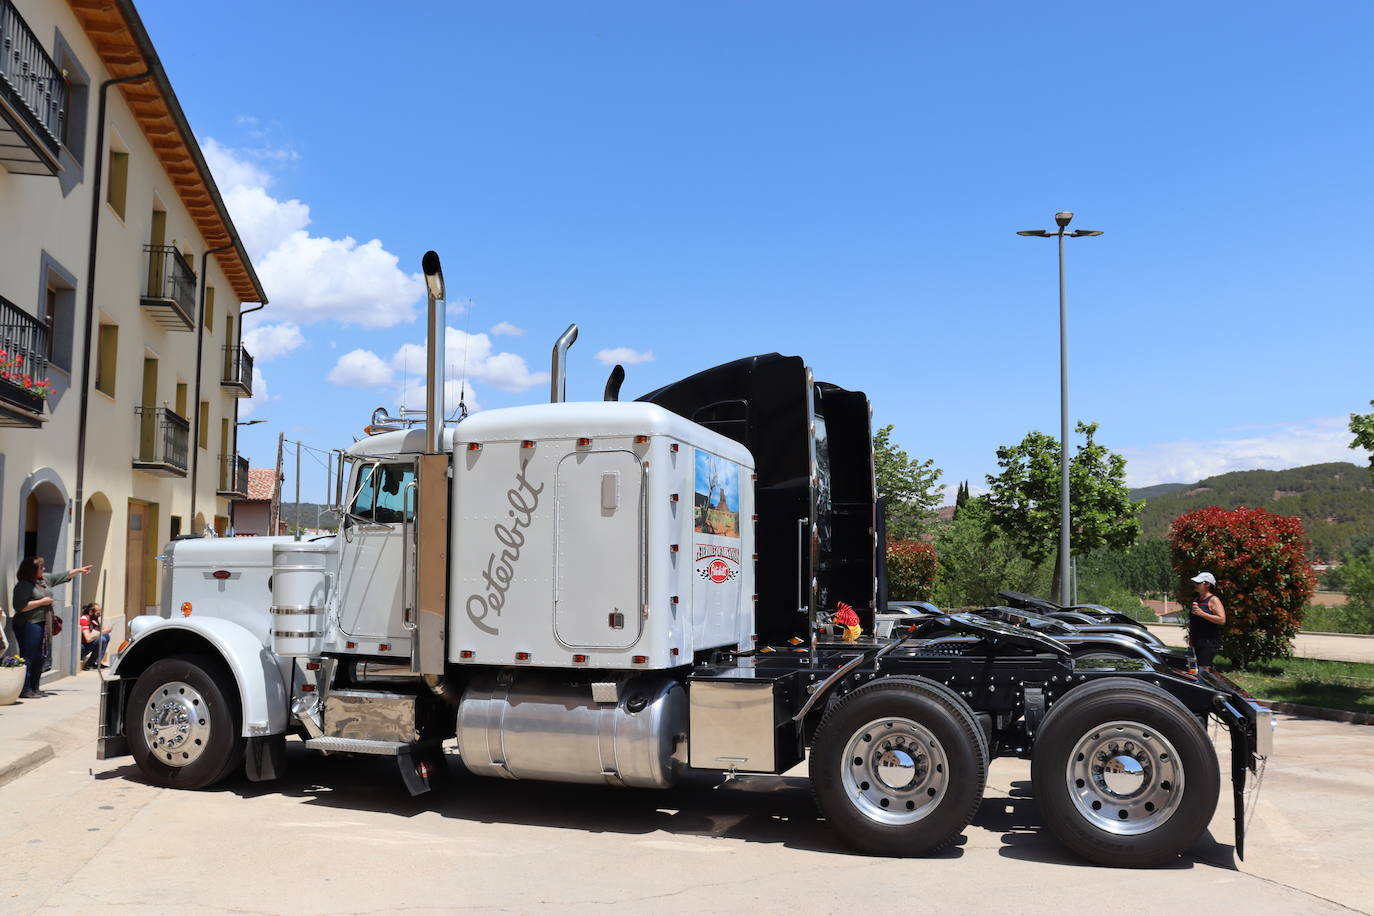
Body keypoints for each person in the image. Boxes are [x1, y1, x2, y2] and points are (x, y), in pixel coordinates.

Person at [11, 557, 91, 699]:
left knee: (41, 656)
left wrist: (79, 570)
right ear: (32, 570)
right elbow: (20, 607)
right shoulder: (23, 585)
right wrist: (42, 602)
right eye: (41, 568)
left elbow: (61, 576)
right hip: (29, 623)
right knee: (29, 656)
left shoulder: (44, 580)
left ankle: (35, 687)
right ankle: (25, 688)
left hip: (43, 623)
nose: (44, 569)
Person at [1187, 571, 1226, 674]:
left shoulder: (1213, 600)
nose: (1195, 585)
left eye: (1198, 583)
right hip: (1197, 641)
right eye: (1195, 582)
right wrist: (1191, 639)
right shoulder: (1197, 600)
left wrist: (1202, 614)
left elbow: (1222, 619)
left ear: (1207, 584)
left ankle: (1211, 689)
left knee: (1204, 671)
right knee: (1193, 670)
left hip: (1208, 642)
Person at [80, 602, 113, 670]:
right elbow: (88, 638)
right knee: (102, 639)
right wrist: (103, 631)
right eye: (98, 613)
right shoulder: (84, 620)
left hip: (85, 646)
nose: (99, 615)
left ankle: (96, 662)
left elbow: (99, 630)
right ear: (90, 612)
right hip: (80, 649)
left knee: (106, 636)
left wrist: (104, 629)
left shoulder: (91, 620)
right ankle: (89, 664)